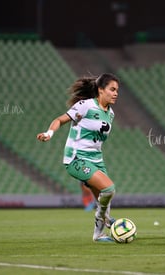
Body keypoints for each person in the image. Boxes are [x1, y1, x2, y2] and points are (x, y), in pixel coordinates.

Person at [37, 73, 119, 242]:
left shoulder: (110, 114)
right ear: (100, 90)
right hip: (76, 158)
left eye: (117, 90)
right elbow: (59, 120)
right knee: (109, 189)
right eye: (112, 89)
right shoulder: (85, 106)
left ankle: (99, 234)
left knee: (104, 199)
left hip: (96, 159)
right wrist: (49, 133)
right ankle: (104, 219)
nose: (116, 93)